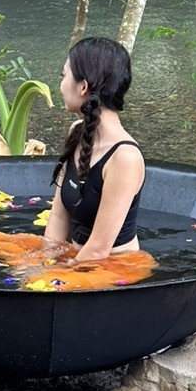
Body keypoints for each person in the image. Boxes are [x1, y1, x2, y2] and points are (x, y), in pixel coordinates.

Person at [42, 36, 145, 263]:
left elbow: (99, 250)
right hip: (78, 258)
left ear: (83, 86)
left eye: (64, 76)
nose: (60, 86)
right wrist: (44, 263)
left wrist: (51, 281)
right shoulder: (77, 131)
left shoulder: (125, 157)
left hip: (112, 267)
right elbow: (59, 216)